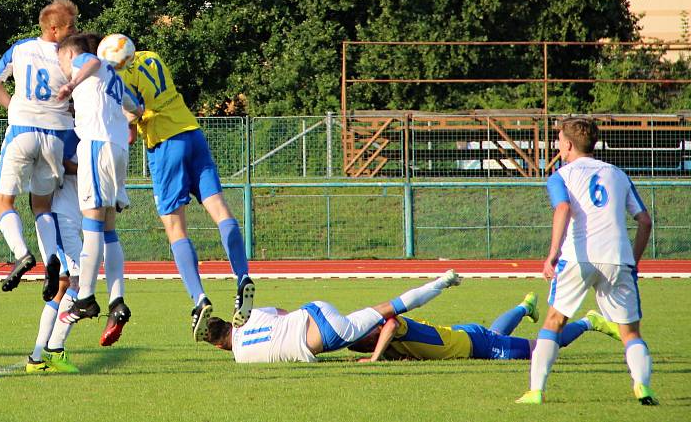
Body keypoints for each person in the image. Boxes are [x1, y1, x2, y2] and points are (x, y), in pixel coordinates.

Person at [117, 45, 255, 341]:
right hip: (192, 132)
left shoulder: (118, 77)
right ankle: (242, 275)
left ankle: (199, 298)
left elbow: (130, 127)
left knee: (175, 226)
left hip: (165, 144)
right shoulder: (152, 55)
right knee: (219, 209)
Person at [516, 117, 656, 406]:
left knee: (554, 322)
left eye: (558, 139)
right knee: (630, 332)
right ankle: (642, 386)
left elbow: (564, 208)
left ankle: (536, 391)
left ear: (567, 144)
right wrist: (634, 260)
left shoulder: (561, 175)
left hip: (578, 258)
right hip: (618, 259)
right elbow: (644, 220)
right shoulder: (618, 174)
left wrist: (552, 252)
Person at [0, 0, 98, 302]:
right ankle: (51, 259)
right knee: (42, 206)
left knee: (1, 201)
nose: (74, 31)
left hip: (22, 130)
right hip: (56, 137)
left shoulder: (20, 49)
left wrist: (13, 106)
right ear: (53, 27)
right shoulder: (71, 56)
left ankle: (22, 253)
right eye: (70, 26)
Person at [55, 34, 143, 350]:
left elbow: (90, 60)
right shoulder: (116, 79)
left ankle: (87, 298)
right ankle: (117, 300)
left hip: (95, 146)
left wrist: (71, 83)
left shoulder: (88, 62)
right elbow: (137, 108)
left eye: (63, 60)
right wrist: (128, 125)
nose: (64, 67)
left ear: (71, 54)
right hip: (117, 150)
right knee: (109, 231)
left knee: (91, 226)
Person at [204, 270, 463, 363]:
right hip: (312, 310)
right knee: (390, 306)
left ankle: (441, 283)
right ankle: (442, 281)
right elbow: (283, 313)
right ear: (229, 323)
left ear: (217, 345)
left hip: (327, 336)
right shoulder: (248, 315)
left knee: (390, 311)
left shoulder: (242, 358)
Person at [349, 293, 622, 362]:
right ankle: (525, 307)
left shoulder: (392, 325)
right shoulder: (389, 344)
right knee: (497, 334)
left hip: (474, 344)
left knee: (545, 348)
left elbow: (393, 322)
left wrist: (373, 358)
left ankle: (589, 321)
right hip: (466, 336)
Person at [26, 124, 82, 374]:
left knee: (63, 286)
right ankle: (54, 350)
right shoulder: (71, 131)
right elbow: (61, 161)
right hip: (61, 218)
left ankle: (37, 357)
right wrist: (91, 171)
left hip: (65, 217)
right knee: (78, 281)